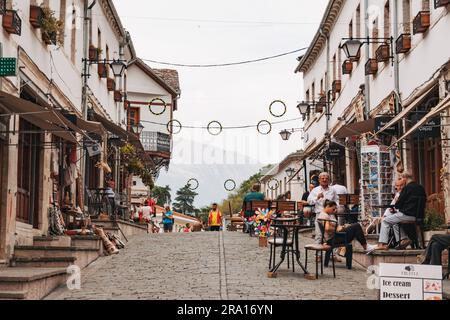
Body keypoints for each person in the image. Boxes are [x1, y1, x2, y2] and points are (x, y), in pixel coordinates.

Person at [371, 172, 427, 252]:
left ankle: (382, 244)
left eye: (402, 178)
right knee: (394, 221)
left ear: (405, 178)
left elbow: (398, 205)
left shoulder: (407, 188)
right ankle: (403, 239)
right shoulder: (421, 188)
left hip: (407, 214)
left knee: (385, 221)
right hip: (419, 216)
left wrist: (397, 203)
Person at [308, 172, 339, 243]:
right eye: (322, 178)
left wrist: (335, 208)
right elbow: (309, 201)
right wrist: (317, 197)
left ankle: (332, 253)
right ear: (319, 180)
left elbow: (336, 201)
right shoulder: (315, 190)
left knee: (333, 234)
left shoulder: (332, 190)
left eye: (326, 178)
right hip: (319, 215)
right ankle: (318, 253)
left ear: (329, 180)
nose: (324, 180)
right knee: (319, 235)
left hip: (330, 215)